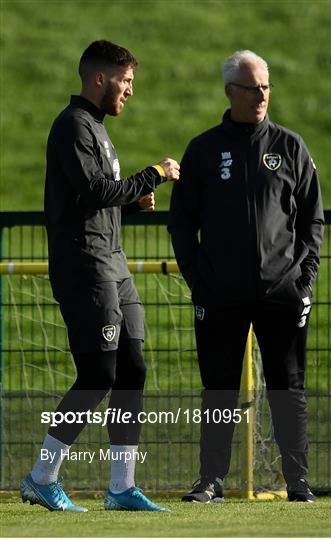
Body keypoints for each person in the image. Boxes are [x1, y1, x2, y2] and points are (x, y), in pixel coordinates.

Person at [20, 39, 179, 512]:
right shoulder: (72, 126)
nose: (129, 90)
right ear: (100, 78)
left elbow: (94, 200)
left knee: (133, 368)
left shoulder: (97, 129)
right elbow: (92, 189)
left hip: (114, 262)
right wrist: (153, 174)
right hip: (85, 266)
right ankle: (41, 478)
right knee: (98, 372)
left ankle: (121, 488)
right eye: (126, 81)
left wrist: (129, 203)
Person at [168, 50, 324, 503]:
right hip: (219, 293)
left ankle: (298, 481)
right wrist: (200, 280)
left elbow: (313, 220)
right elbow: (181, 222)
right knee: (218, 387)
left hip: (282, 292)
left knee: (287, 386)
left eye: (266, 87)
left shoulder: (290, 147)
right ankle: (211, 480)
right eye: (252, 87)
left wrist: (304, 280)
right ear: (229, 92)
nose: (261, 95)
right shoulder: (202, 150)